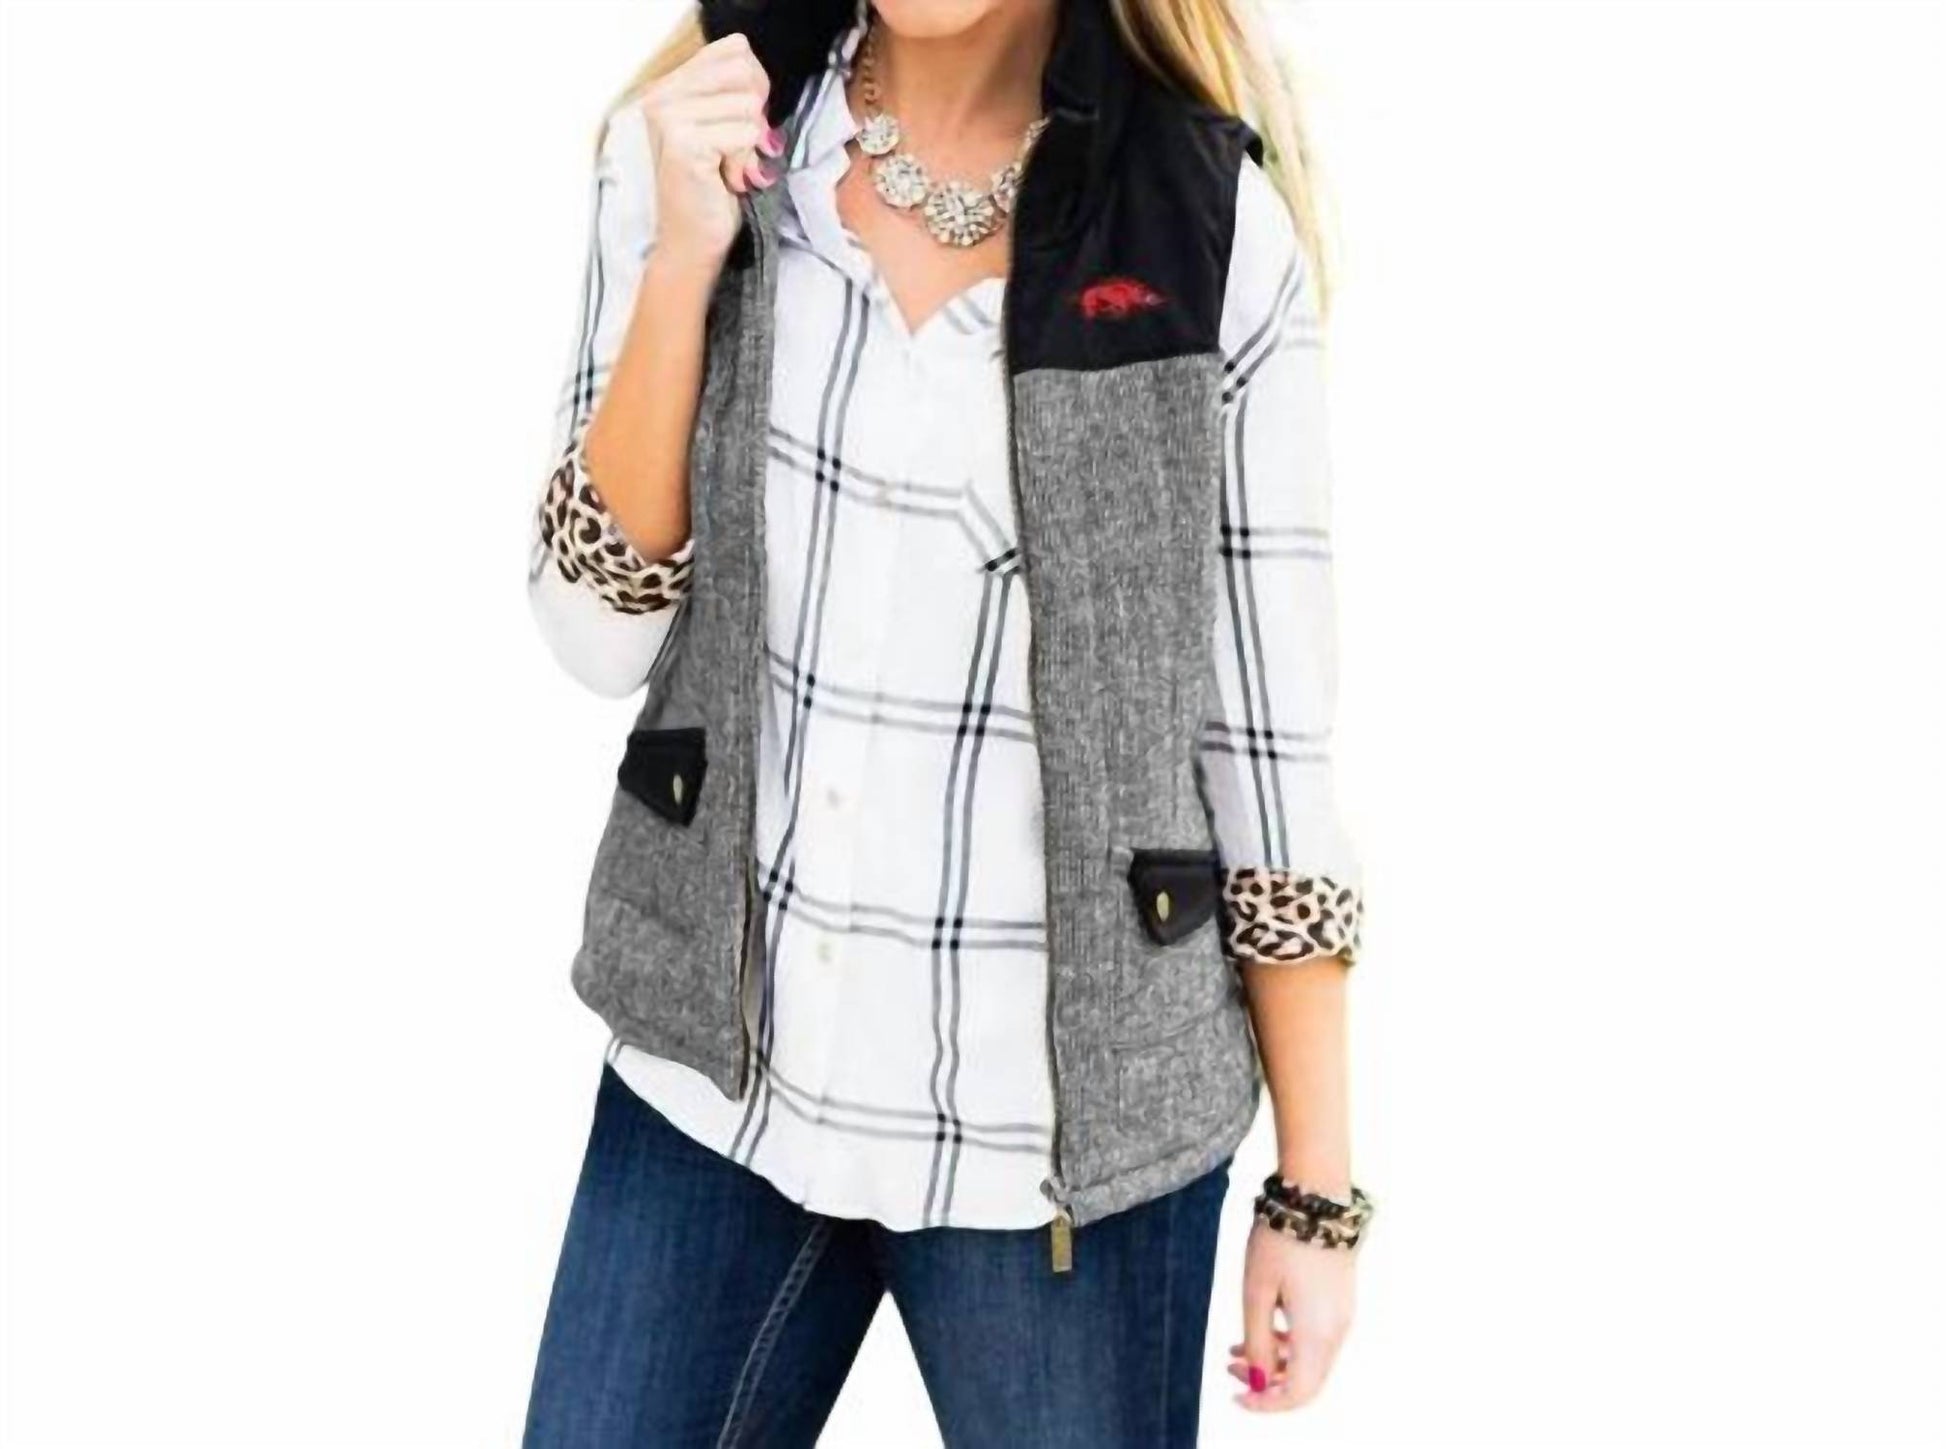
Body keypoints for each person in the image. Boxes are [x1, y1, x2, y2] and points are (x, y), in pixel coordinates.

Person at [520, 1, 1371, 1442]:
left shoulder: (1209, 234)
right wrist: (680, 261)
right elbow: (594, 634)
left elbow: (1264, 751)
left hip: (1054, 1155)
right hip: (718, 1090)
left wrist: (1317, 1191)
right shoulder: (698, 145)